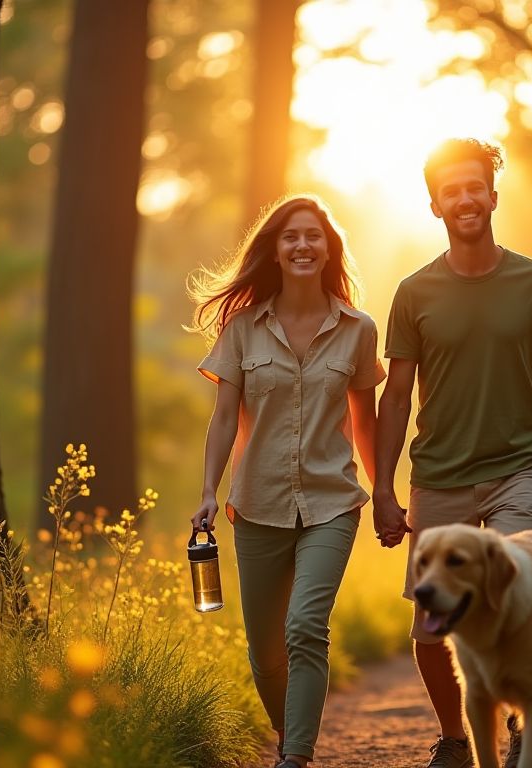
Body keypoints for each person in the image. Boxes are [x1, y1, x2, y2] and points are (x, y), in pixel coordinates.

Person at [372, 138, 532, 768]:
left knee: (522, 594)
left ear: (493, 197)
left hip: (516, 468)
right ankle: (456, 739)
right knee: (429, 619)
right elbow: (396, 395)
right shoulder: (414, 292)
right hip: (438, 473)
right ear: (435, 206)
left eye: (475, 188)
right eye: (452, 191)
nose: (465, 199)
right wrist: (383, 488)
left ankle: (525, 727)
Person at [189, 195, 385, 768]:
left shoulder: (358, 329)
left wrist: (385, 495)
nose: (302, 245)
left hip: (332, 502)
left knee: (305, 626)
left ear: (329, 249)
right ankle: (288, 735)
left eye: (313, 236)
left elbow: (365, 421)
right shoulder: (242, 329)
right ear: (274, 250)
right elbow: (224, 418)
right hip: (257, 503)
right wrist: (208, 491)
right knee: (266, 653)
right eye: (290, 236)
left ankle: (295, 757)